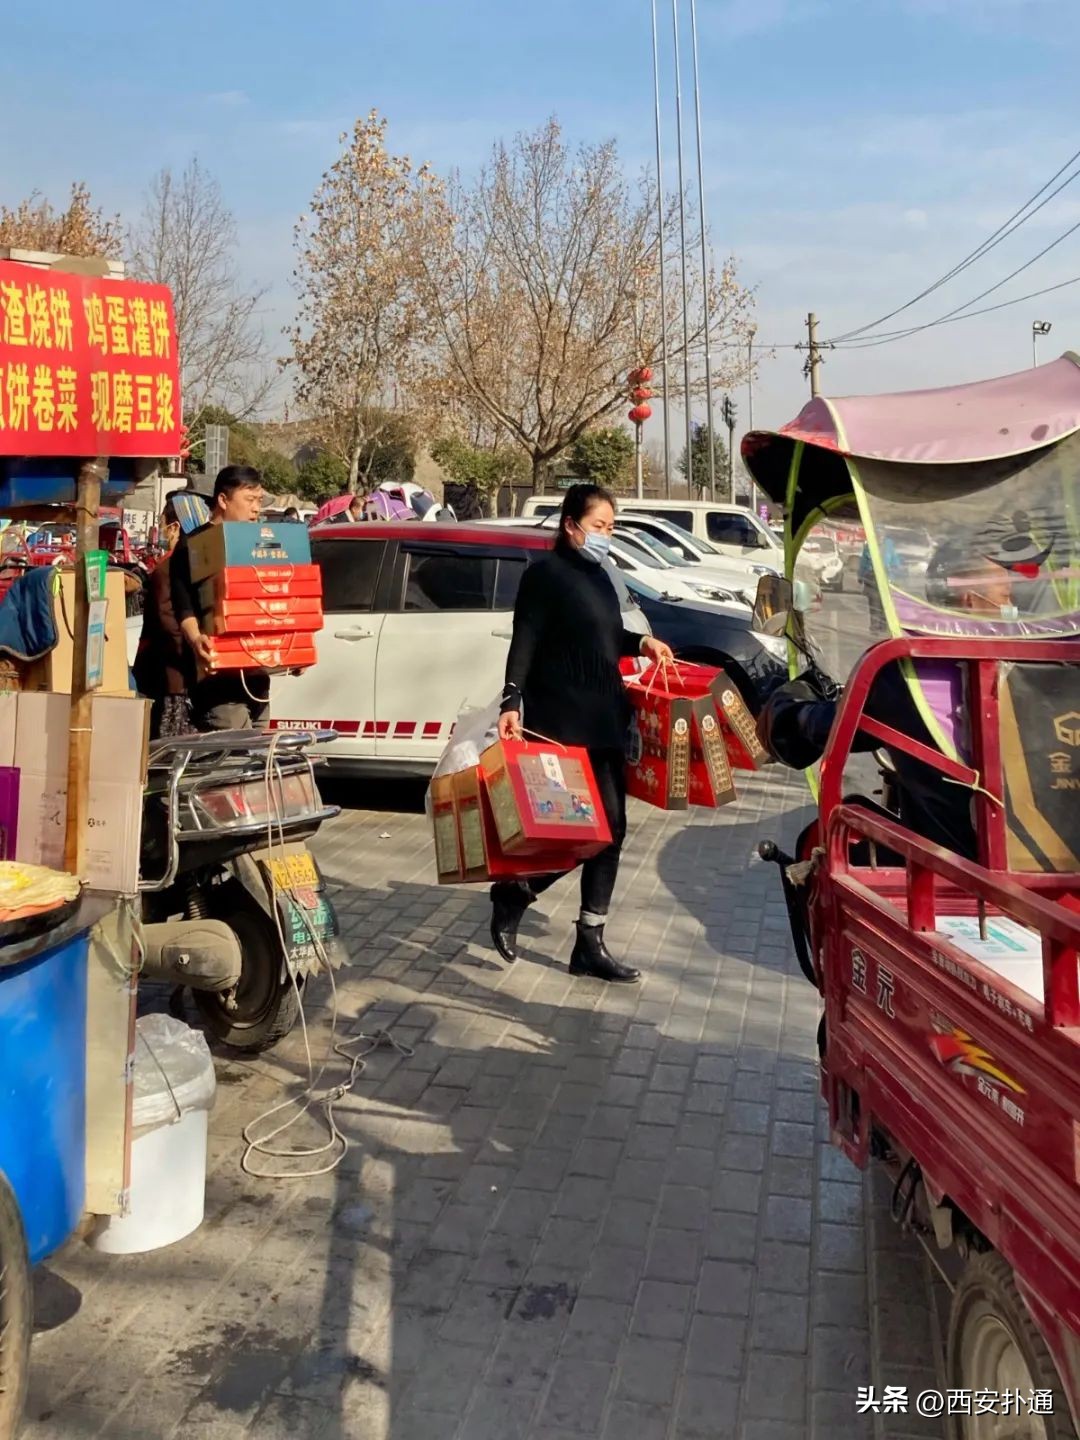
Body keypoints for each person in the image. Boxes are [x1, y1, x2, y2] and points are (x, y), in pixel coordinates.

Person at [490, 483, 674, 983]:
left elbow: (605, 637)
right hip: (562, 723)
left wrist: (643, 642)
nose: (605, 537)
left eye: (611, 528)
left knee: (612, 831)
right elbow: (523, 640)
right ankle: (516, 893)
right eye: (599, 527)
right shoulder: (544, 576)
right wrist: (512, 700)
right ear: (571, 525)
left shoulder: (600, 576)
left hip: (605, 717)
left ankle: (589, 942)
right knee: (577, 832)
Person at [759, 555, 1018, 859]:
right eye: (1006, 597)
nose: (1012, 607)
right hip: (1035, 852)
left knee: (831, 858)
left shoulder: (908, 674)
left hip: (944, 861)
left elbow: (833, 727)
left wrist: (792, 710)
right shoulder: (1030, 668)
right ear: (970, 601)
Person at [171, 465, 270, 731]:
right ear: (223, 500)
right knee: (232, 760)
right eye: (249, 500)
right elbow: (184, 606)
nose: (256, 509)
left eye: (259, 501)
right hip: (216, 680)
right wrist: (196, 640)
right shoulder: (193, 545)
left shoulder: (261, 544)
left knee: (257, 762)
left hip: (257, 680)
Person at [133, 496, 195, 738]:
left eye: (163, 524)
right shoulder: (174, 565)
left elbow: (166, 618)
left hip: (169, 670)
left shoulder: (167, 568)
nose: (161, 531)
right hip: (171, 670)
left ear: (175, 527)